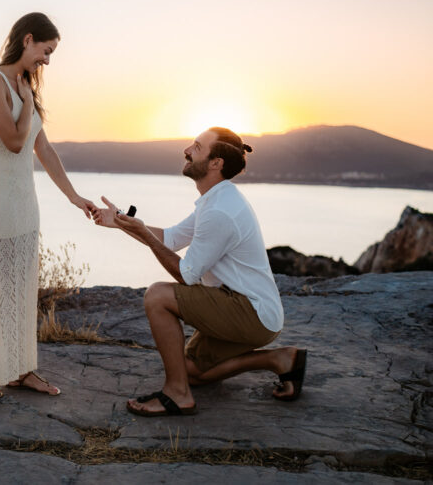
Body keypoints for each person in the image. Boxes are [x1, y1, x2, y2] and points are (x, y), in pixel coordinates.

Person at [92, 127, 306, 416]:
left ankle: (177, 394)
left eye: (196, 147)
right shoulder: (215, 200)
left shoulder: (220, 211)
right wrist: (120, 222)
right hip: (244, 307)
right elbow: (171, 238)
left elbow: (186, 275)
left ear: (216, 163)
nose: (187, 150)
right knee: (190, 370)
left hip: (251, 312)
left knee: (157, 296)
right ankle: (280, 360)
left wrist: (143, 233)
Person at [0, 12, 97, 400]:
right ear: (28, 39)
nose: (47, 61)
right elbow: (15, 142)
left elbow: (42, 148)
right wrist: (28, 103)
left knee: (20, 285)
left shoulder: (25, 85)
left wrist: (73, 197)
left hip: (23, 201)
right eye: (46, 51)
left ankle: (19, 370)